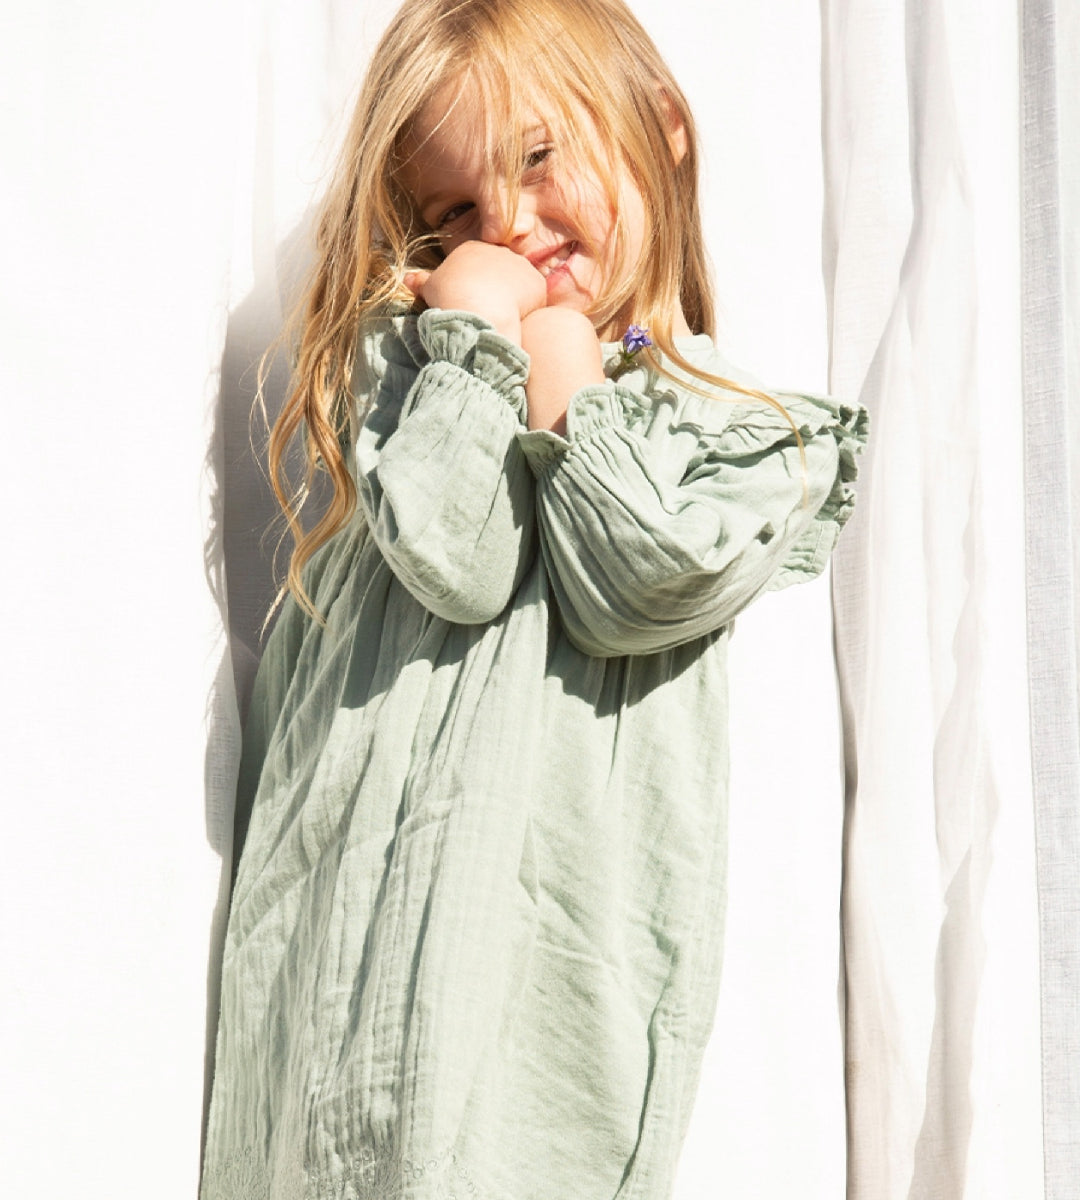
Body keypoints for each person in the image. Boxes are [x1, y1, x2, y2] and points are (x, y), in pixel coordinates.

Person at [201, 0, 867, 1196]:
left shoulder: (738, 438)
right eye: (453, 211)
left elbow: (628, 579)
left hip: (529, 1040)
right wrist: (476, 344)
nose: (505, 222)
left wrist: (557, 365)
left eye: (538, 157)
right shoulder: (420, 378)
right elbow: (451, 550)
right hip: (326, 1016)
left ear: (661, 131)